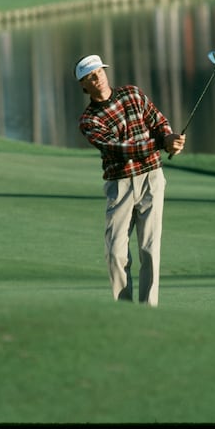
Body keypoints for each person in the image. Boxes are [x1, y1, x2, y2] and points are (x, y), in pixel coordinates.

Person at [75, 54, 186, 307]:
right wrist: (161, 143)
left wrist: (171, 139)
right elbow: (119, 149)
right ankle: (124, 311)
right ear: (84, 86)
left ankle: (148, 311)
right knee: (115, 252)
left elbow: (158, 122)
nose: (98, 78)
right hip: (120, 185)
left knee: (149, 249)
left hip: (151, 178)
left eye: (99, 72)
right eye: (91, 77)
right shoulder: (89, 120)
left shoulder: (132, 94)